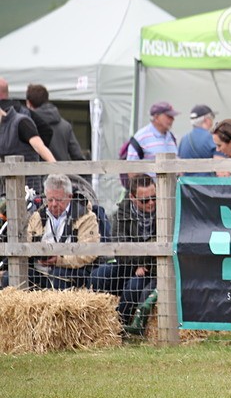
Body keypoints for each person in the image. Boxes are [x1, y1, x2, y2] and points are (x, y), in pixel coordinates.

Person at [90, 174, 157, 327]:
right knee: (99, 275)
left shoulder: (166, 212)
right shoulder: (121, 213)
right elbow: (120, 252)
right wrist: (139, 263)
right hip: (131, 265)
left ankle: (119, 327)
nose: (151, 203)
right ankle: (95, 325)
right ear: (132, 198)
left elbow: (165, 248)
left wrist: (144, 263)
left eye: (154, 197)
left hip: (153, 270)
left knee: (134, 285)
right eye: (145, 200)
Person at [27, 173, 100, 289]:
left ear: (70, 197)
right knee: (11, 277)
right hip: (40, 271)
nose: (54, 204)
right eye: (50, 200)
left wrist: (59, 260)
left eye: (59, 200)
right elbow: (26, 243)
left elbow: (89, 252)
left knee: (58, 276)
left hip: (71, 271)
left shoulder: (86, 217)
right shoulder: (37, 216)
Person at [25, 83, 86, 161]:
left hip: (37, 172)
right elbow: (77, 156)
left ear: (29, 103)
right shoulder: (66, 126)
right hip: (61, 172)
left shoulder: (27, 126)